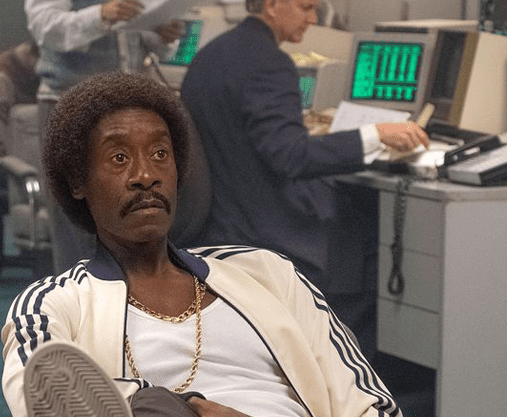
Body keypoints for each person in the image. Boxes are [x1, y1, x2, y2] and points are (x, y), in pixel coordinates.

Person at [0, 71, 507, 417]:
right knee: (154, 412)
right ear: (78, 182)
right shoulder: (53, 302)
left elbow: (360, 401)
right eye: (119, 158)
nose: (145, 174)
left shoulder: (266, 273)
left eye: (160, 154)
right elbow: (47, 398)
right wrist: (200, 411)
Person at [179, 0, 430, 360]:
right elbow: (290, 156)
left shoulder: (212, 53)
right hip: (262, 230)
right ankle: (349, 370)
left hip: (222, 219)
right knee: (369, 240)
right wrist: (377, 134)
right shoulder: (269, 62)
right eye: (306, 6)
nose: (313, 19)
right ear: (271, 4)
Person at [26, 0, 186, 274]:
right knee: (79, 222)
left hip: (128, 105)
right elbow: (44, 26)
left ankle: (132, 296)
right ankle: (80, 298)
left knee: (134, 217)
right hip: (71, 104)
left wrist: (160, 35)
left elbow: (132, 38)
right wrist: (100, 15)